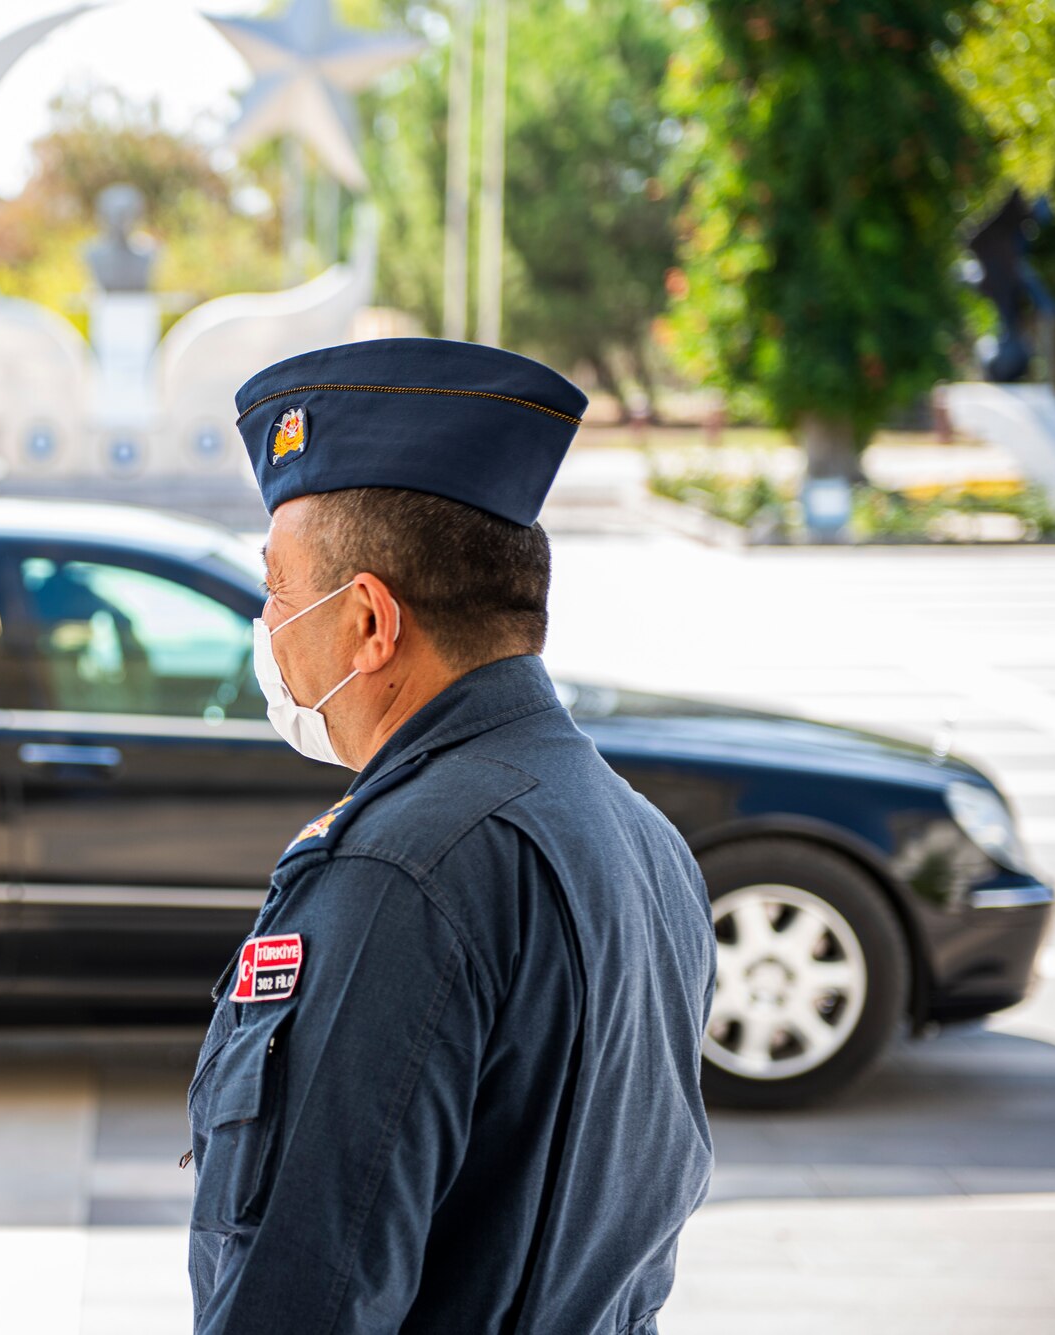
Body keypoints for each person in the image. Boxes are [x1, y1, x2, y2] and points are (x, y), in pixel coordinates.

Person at [187, 339, 715, 1334]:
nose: (265, 623)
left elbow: (308, 1289)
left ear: (369, 623)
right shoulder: (638, 835)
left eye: (277, 591)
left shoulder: (401, 871)